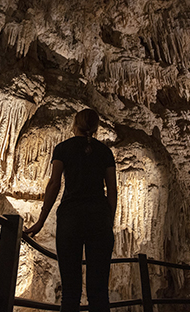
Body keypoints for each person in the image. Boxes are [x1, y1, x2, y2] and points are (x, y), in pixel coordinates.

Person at [24, 108, 117, 312]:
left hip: (70, 218)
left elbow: (54, 184)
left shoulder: (63, 148)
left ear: (75, 125)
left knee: (71, 290)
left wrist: (41, 220)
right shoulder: (105, 152)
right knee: (99, 290)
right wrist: (109, 221)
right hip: (99, 219)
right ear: (96, 127)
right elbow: (112, 190)